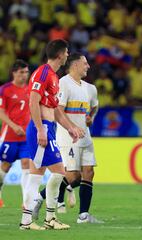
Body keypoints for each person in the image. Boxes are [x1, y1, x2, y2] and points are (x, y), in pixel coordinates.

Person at [19, 39, 84, 230]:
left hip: (48, 128)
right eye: (66, 52)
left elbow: (54, 110)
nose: (67, 55)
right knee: (58, 173)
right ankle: (44, 218)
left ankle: (34, 220)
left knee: (36, 175)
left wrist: (70, 127)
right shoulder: (43, 73)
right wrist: (40, 129)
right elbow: (33, 101)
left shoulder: (53, 77)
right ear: (59, 54)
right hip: (41, 129)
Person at [33, 53, 102, 223]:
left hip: (85, 137)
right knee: (72, 176)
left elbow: (95, 106)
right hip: (67, 137)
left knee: (89, 173)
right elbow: (59, 111)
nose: (88, 66)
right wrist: (72, 127)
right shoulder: (63, 83)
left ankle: (83, 216)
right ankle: (40, 198)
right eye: (85, 63)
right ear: (75, 65)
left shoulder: (90, 88)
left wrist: (90, 117)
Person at [0, 60, 30, 208]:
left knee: (26, 163)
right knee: (5, 166)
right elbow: (1, 111)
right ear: (14, 73)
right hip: (9, 135)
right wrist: (13, 125)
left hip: (26, 136)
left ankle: (26, 201)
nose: (24, 76)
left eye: (26, 72)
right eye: (21, 73)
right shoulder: (5, 90)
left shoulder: (31, 90)